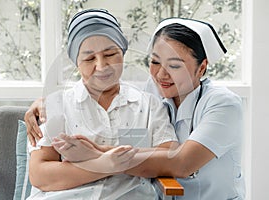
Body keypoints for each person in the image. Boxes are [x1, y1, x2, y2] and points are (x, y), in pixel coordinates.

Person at [26, 16, 246, 200]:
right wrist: (45, 103)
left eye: (175, 65)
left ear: (202, 68)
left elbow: (180, 162)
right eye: (155, 62)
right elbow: (40, 173)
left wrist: (98, 156)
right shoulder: (156, 90)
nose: (161, 74)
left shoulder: (222, 104)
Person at [26, 9, 178, 200]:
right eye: (89, 58)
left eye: (110, 54)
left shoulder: (149, 106)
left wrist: (92, 157)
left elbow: (171, 160)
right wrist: (107, 164)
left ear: (122, 53)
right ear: (76, 63)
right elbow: (40, 175)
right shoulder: (54, 106)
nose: (102, 66)